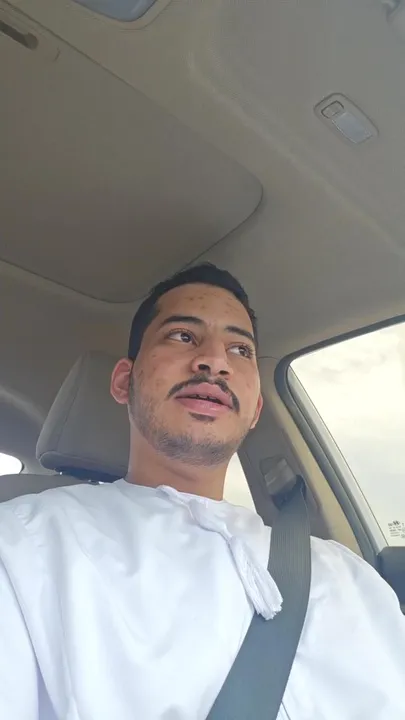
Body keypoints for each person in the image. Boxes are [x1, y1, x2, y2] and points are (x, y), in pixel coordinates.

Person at [0, 263, 404, 720]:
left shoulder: (349, 576)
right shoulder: (24, 547)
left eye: (240, 349)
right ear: (124, 381)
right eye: (183, 336)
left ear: (255, 409)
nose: (215, 361)